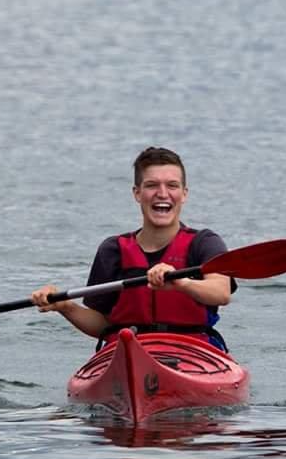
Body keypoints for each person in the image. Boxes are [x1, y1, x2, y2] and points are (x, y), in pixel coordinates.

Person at [30, 146, 234, 350]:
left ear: (184, 194)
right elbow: (104, 324)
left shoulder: (204, 243)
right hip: (127, 350)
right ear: (137, 193)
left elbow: (221, 292)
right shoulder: (113, 250)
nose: (162, 193)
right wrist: (65, 306)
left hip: (192, 350)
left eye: (172, 185)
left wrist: (182, 283)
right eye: (152, 185)